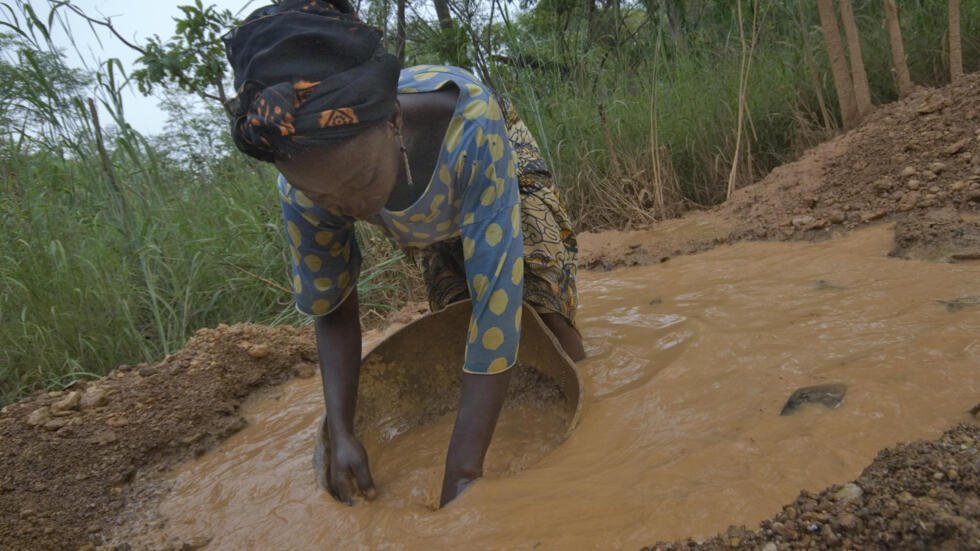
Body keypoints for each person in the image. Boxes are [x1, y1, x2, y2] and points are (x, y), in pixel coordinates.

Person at [223, 0, 584, 507]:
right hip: (432, 212)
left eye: (359, 183)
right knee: (456, 313)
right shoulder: (306, 187)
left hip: (496, 167)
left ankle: (588, 384)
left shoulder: (472, 124)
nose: (349, 206)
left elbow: (498, 300)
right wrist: (342, 433)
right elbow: (333, 309)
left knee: (544, 297)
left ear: (393, 120)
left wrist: (462, 474)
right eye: (328, 200)